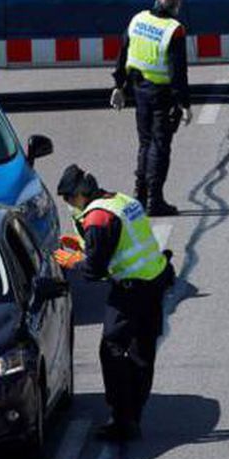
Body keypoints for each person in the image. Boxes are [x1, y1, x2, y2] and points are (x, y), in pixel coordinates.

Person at [56, 164, 174, 443]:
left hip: (131, 290)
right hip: (154, 280)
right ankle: (134, 413)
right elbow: (119, 242)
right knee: (142, 352)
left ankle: (122, 417)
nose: (69, 205)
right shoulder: (120, 201)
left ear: (80, 193)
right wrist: (83, 244)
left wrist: (74, 261)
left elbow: (94, 269)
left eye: (69, 199)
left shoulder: (97, 219)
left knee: (111, 348)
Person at [111, 0, 191, 217]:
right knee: (159, 145)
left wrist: (118, 85)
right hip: (161, 94)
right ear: (174, 4)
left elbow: (123, 52)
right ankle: (154, 200)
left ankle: (140, 196)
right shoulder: (174, 30)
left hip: (138, 90)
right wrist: (184, 103)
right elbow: (179, 71)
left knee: (145, 143)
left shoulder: (138, 20)